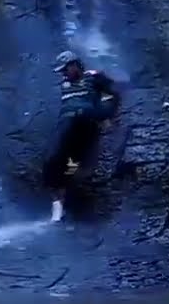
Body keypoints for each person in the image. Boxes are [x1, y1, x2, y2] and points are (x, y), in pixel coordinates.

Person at [43, 51, 120, 222]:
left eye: (65, 69)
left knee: (73, 162)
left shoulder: (92, 78)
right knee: (51, 163)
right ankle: (57, 206)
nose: (63, 73)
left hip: (84, 125)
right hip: (65, 127)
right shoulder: (64, 85)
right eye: (61, 71)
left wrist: (105, 115)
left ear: (75, 65)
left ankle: (69, 199)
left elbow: (113, 94)